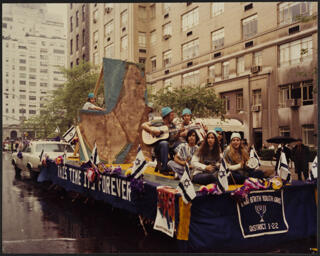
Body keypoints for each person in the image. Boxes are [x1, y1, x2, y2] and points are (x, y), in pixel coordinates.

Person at [141, 106, 182, 175]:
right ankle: (164, 168)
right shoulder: (158, 122)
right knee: (164, 143)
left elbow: (173, 139)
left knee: (180, 144)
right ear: (166, 116)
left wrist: (179, 134)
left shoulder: (173, 126)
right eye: (171, 115)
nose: (173, 117)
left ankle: (180, 166)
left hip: (169, 145)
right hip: (158, 146)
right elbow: (143, 125)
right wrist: (152, 130)